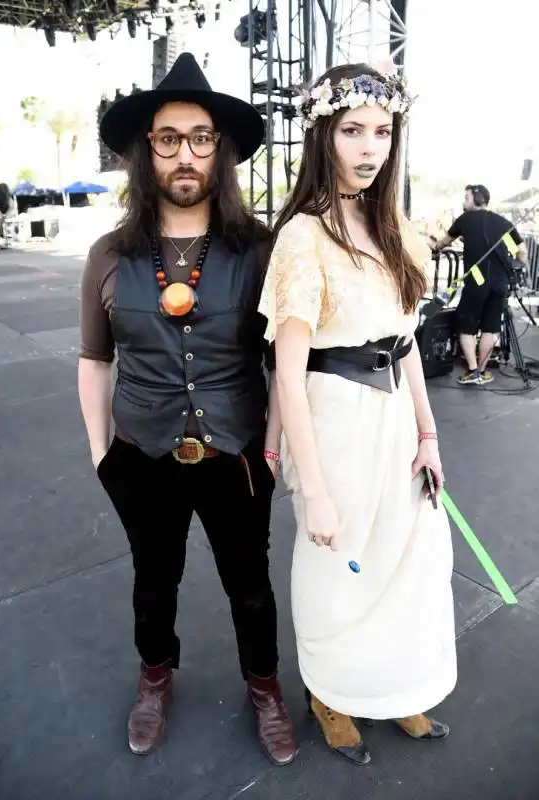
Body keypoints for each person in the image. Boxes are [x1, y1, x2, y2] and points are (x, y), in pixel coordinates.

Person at [78, 52, 296, 765]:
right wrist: (98, 450)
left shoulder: (259, 249)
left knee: (250, 586)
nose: (185, 153)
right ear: (147, 151)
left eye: (200, 137)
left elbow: (280, 362)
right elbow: (93, 359)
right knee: (152, 580)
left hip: (238, 453)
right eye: (167, 138)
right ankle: (154, 678)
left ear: (220, 151)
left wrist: (272, 447)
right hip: (141, 452)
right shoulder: (109, 253)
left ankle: (263, 688)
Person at [258, 62, 457, 766]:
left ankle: (393, 687)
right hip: (331, 416)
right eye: (351, 131)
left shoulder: (396, 227)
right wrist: (311, 487)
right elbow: (286, 372)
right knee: (336, 566)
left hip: (396, 417)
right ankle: (331, 694)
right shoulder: (301, 237)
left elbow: (403, 344)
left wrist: (429, 436)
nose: (368, 147)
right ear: (322, 135)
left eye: (381, 130)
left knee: (406, 565)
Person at [433, 184, 528, 384]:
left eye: (466, 198)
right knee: (491, 328)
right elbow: (522, 251)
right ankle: (483, 372)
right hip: (500, 283)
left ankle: (474, 371)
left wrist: (434, 247)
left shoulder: (465, 220)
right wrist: (517, 266)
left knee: (466, 326)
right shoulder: (503, 222)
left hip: (477, 282)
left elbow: (444, 242)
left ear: (477, 199)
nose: (463, 202)